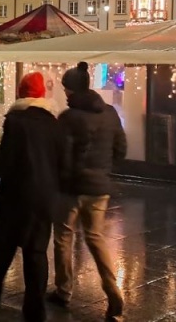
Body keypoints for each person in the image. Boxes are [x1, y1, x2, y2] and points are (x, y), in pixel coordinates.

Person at [0, 72, 61, 322]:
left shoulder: (16, 120)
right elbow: (62, 160)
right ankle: (35, 309)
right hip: (44, 196)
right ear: (42, 94)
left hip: (16, 194)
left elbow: (5, 157)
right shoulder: (54, 123)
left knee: (1, 244)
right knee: (36, 252)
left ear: (22, 92)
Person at [49, 62, 127, 322]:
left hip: (70, 188)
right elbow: (121, 148)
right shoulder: (110, 112)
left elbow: (58, 154)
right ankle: (112, 289)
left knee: (63, 237)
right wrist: (104, 171)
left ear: (70, 90)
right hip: (99, 188)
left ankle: (63, 290)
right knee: (95, 237)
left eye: (65, 89)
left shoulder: (68, 118)